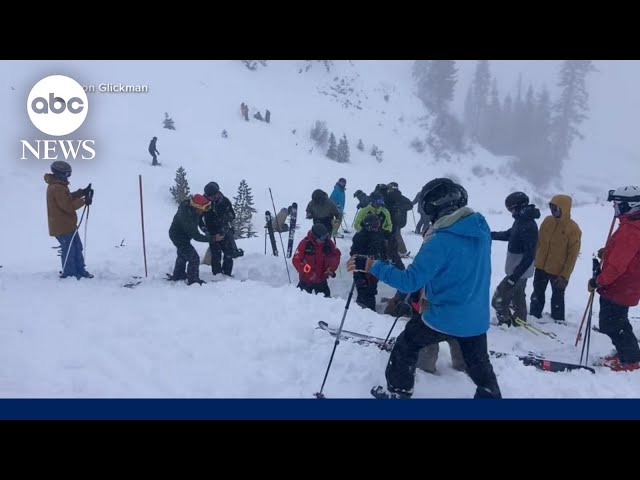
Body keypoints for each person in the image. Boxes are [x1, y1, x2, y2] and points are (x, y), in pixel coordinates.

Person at [347, 178, 501, 399]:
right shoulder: (480, 229)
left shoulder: (440, 241)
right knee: (482, 371)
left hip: (445, 316)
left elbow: (409, 281)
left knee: (405, 347)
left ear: (433, 207)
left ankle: (398, 393)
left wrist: (372, 265)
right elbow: (458, 266)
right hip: (475, 318)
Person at [589, 185, 640, 371]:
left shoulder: (631, 230)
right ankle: (627, 352)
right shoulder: (631, 225)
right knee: (618, 322)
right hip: (625, 285)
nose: (615, 209)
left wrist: (599, 281)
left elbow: (618, 266)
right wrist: (608, 252)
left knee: (611, 324)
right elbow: (626, 255)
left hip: (620, 286)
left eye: (618, 205)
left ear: (629, 206)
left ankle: (631, 360)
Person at [529, 195, 582, 324]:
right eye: (552, 208)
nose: (554, 212)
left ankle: (558, 321)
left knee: (557, 297)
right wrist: (533, 258)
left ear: (565, 209)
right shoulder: (547, 221)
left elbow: (572, 256)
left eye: (557, 209)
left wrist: (565, 275)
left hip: (558, 270)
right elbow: (538, 241)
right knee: (537, 293)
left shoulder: (573, 229)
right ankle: (534, 316)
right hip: (541, 265)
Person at [490, 192, 540, 327]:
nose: (510, 212)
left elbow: (530, 254)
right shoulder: (522, 220)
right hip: (519, 271)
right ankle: (520, 321)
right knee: (518, 297)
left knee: (498, 299)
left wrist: (514, 277)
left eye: (510, 209)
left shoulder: (528, 225)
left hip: (518, 271)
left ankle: (505, 323)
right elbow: (510, 234)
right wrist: (490, 235)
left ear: (517, 207)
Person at [45, 161, 94, 280]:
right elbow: (67, 205)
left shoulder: (59, 185)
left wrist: (81, 193)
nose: (68, 177)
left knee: (77, 246)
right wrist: (84, 201)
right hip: (62, 226)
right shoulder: (57, 188)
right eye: (67, 174)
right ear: (60, 174)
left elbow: (67, 198)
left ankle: (79, 270)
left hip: (68, 225)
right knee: (70, 250)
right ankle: (70, 273)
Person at [349, 214, 394, 311]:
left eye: (378, 224)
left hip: (374, 267)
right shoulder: (360, 237)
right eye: (374, 226)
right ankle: (360, 311)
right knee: (362, 289)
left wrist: (385, 257)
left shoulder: (380, 234)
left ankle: (370, 312)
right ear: (368, 226)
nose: (376, 227)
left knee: (371, 289)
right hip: (361, 268)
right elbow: (354, 254)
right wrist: (365, 257)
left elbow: (383, 249)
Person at [200, 182, 243, 277]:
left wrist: (225, 221)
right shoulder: (203, 204)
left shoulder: (225, 201)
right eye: (211, 196)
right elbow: (200, 220)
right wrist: (206, 231)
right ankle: (217, 275)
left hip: (224, 230)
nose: (214, 197)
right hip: (212, 232)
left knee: (228, 254)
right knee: (215, 255)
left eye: (215, 194)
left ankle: (227, 274)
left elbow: (232, 215)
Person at [168, 194, 212, 285]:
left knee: (183, 254)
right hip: (178, 237)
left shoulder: (193, 210)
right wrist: (212, 238)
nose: (205, 210)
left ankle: (178, 274)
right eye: (204, 208)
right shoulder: (187, 217)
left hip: (182, 235)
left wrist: (204, 228)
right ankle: (193, 280)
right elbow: (196, 236)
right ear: (197, 207)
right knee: (194, 258)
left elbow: (199, 219)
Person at [292, 223, 341, 297]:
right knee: (300, 299)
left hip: (321, 279)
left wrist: (331, 268)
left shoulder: (328, 244)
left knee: (326, 300)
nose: (324, 240)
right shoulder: (305, 244)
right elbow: (296, 260)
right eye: (322, 238)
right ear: (315, 237)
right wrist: (308, 272)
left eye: (326, 237)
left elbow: (336, 256)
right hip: (306, 280)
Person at [385, 182, 413, 256]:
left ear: (394, 188)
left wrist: (400, 208)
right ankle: (395, 250)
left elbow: (410, 205)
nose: (388, 189)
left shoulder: (398, 197)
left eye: (390, 187)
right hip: (393, 219)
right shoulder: (390, 196)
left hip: (397, 220)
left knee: (396, 234)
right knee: (392, 234)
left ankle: (402, 252)